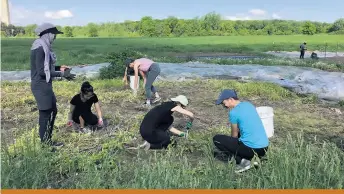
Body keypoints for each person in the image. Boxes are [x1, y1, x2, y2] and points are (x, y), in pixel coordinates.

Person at [30, 23, 76, 147]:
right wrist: (62, 75)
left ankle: (48, 141)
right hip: (40, 86)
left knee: (53, 111)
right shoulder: (40, 48)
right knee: (46, 115)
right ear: (48, 34)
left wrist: (59, 68)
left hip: (45, 86)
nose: (55, 37)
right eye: (54, 34)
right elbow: (41, 71)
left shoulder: (43, 46)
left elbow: (46, 67)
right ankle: (46, 145)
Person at [213, 89, 269, 173]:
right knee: (242, 134)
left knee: (217, 139)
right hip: (264, 148)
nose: (224, 105)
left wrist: (230, 145)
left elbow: (234, 136)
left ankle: (244, 162)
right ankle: (256, 158)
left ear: (230, 99)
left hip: (252, 150)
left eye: (223, 103)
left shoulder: (234, 112)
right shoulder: (248, 104)